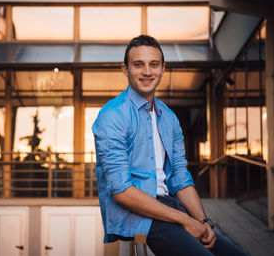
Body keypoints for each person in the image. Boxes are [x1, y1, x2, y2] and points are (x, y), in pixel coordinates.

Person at [92, 35, 247, 256]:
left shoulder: (169, 118)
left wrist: (204, 222)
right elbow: (121, 191)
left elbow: (180, 178)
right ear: (125, 69)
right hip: (139, 213)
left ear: (163, 69)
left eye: (153, 64)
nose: (147, 72)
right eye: (138, 64)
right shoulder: (112, 115)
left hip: (170, 207)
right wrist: (185, 220)